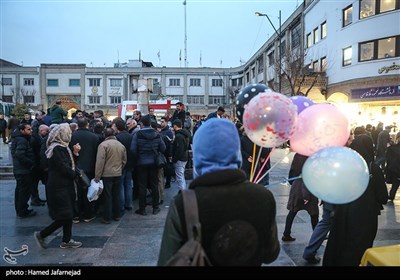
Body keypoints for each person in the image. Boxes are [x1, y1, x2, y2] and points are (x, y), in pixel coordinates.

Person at [158, 118, 280, 266]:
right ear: (236, 151)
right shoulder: (263, 196)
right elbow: (270, 254)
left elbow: (167, 259)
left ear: (199, 153)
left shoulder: (184, 203)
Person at [323, 132, 388, 266]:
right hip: (366, 217)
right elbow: (383, 197)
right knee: (360, 248)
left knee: (342, 244)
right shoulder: (373, 168)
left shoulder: (346, 166)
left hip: (343, 214)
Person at [33, 123, 82, 249]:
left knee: (68, 214)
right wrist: (75, 174)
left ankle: (66, 240)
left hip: (64, 185)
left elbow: (69, 165)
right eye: (68, 133)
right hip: (59, 187)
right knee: (66, 215)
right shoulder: (57, 148)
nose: (70, 135)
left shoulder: (62, 147)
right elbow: (64, 167)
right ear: (62, 134)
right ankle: (42, 234)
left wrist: (75, 153)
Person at [282, 153, 319, 242]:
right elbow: (306, 176)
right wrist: (306, 195)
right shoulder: (310, 157)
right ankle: (317, 236)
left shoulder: (298, 154)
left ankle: (286, 234)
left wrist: (293, 183)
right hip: (307, 188)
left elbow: (292, 171)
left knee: (292, 211)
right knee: (314, 214)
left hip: (296, 186)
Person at [386, 132, 400, 201]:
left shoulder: (392, 148)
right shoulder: (392, 147)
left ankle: (391, 195)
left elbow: (388, 159)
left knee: (395, 183)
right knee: (395, 183)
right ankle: (391, 195)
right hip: (396, 169)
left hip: (395, 169)